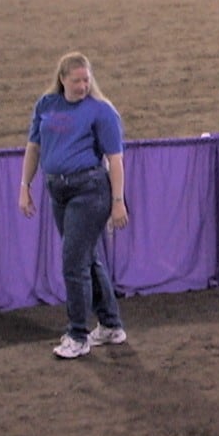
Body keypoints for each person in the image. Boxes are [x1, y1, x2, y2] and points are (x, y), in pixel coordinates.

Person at [18, 51, 128, 359]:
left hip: (90, 191)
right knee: (86, 259)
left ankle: (78, 334)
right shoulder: (45, 106)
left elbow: (115, 160)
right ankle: (110, 325)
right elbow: (34, 148)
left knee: (73, 263)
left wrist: (118, 201)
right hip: (59, 191)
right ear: (62, 79)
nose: (82, 85)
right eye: (76, 80)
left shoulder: (101, 111)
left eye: (86, 80)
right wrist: (24, 186)